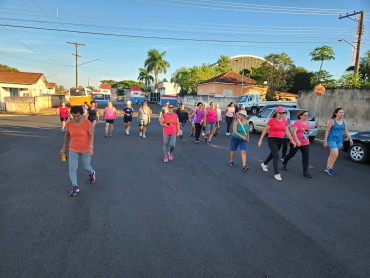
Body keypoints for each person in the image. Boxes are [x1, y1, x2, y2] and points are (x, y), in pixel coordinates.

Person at [60, 106, 96, 196]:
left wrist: (91, 148)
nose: (75, 118)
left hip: (85, 149)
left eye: (78, 116)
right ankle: (75, 187)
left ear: (82, 114)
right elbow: (67, 135)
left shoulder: (87, 123)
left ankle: (92, 172)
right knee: (72, 168)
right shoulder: (69, 124)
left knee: (86, 166)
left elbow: (91, 135)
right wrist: (64, 147)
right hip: (73, 148)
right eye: (74, 116)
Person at [258, 106, 296, 181]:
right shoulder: (272, 120)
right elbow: (265, 130)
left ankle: (264, 164)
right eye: (280, 112)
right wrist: (260, 140)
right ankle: (276, 173)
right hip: (272, 140)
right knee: (276, 156)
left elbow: (286, 131)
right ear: (277, 113)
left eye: (283, 112)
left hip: (280, 140)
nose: (282, 114)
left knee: (272, 154)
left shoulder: (284, 121)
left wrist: (292, 140)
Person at [282, 110, 312, 178]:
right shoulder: (297, 123)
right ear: (300, 116)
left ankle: (305, 172)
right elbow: (293, 132)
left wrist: (306, 135)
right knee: (292, 154)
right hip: (296, 142)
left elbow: (307, 131)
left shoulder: (307, 123)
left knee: (306, 157)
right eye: (305, 115)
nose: (306, 116)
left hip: (305, 142)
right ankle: (285, 161)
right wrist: (297, 141)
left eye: (307, 115)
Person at [323, 108, 353, 176]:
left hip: (339, 140)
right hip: (331, 139)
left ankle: (327, 167)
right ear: (336, 113)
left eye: (343, 112)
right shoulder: (332, 121)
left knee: (332, 154)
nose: (342, 113)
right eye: (340, 112)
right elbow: (327, 131)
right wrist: (325, 141)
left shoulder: (344, 121)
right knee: (336, 154)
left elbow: (346, 130)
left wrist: (350, 139)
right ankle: (330, 169)